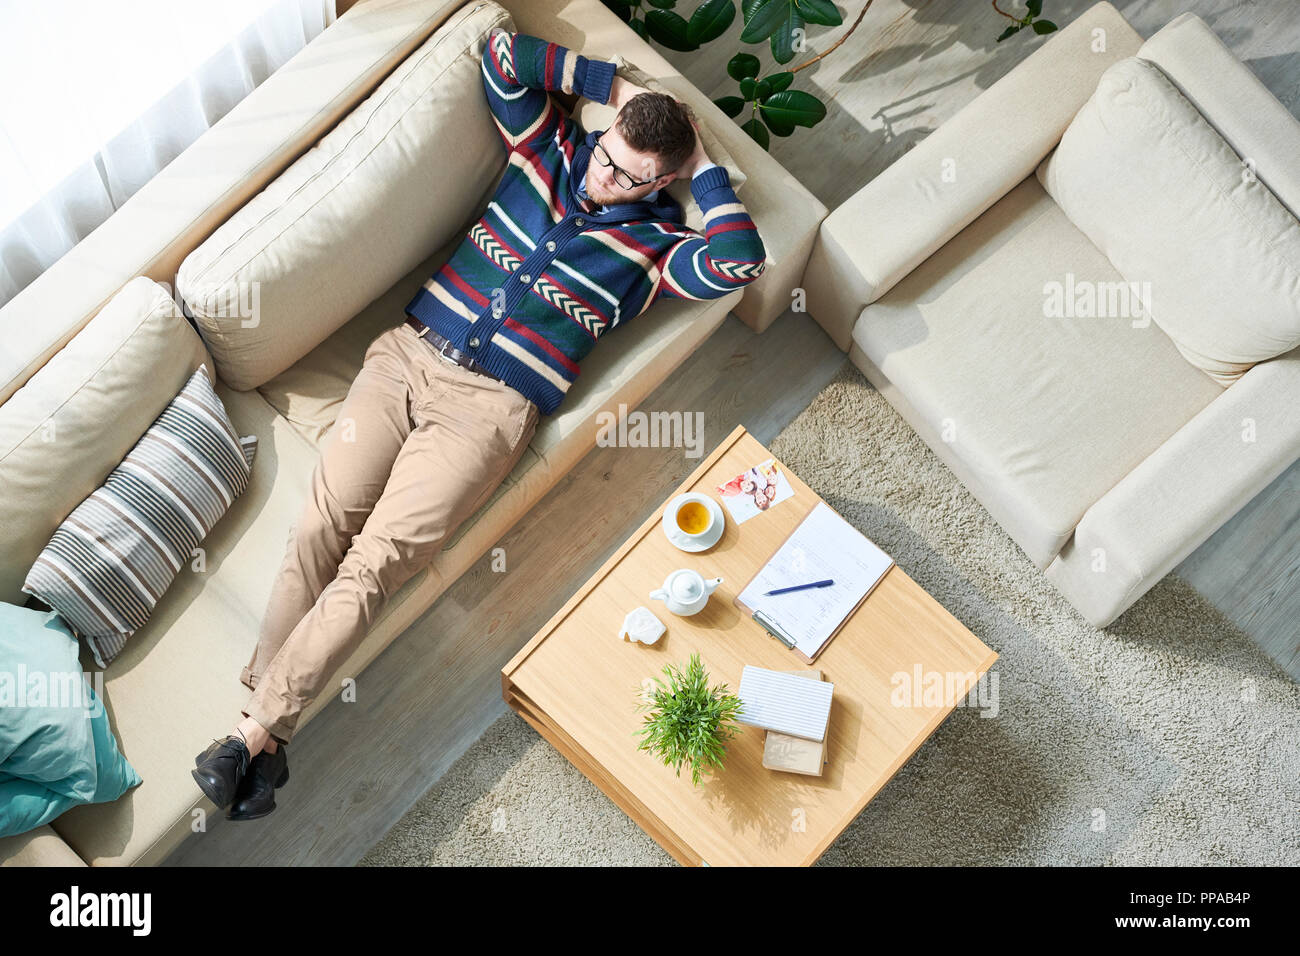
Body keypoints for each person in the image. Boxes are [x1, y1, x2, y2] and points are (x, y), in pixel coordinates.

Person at [193, 26, 767, 820]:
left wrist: (702, 168)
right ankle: (259, 741)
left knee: (375, 562)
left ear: (660, 182)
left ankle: (250, 736)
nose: (605, 177)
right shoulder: (549, 149)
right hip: (402, 361)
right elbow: (500, 55)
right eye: (606, 155)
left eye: (631, 178)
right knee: (319, 526)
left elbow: (739, 258)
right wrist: (615, 91)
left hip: (487, 415)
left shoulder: (656, 249)